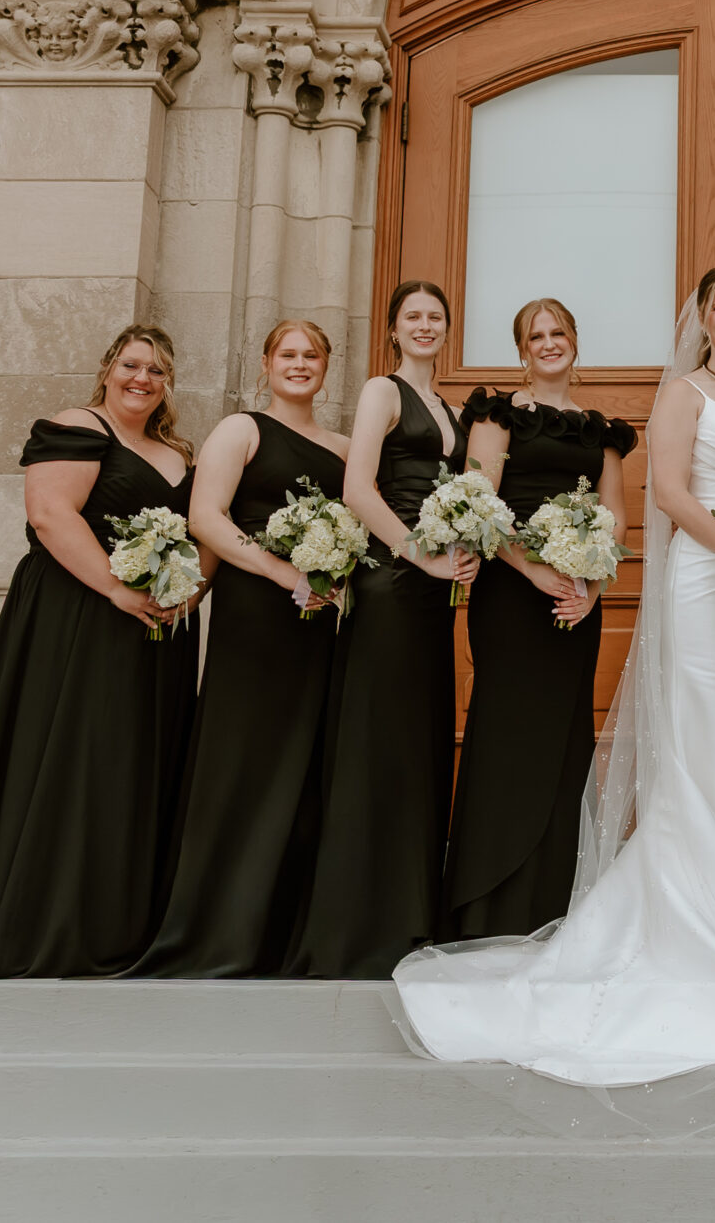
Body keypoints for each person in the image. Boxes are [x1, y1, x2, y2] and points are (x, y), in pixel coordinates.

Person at [393, 267, 715, 1085]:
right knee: (698, 745)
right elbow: (673, 496)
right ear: (703, 319)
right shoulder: (682, 393)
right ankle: (689, 919)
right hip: (714, 583)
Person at [0, 325, 205, 979]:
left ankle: (118, 923)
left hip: (156, 628)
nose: (142, 378)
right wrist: (117, 587)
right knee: (76, 756)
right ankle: (50, 922)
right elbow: (51, 513)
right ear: (108, 367)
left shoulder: (173, 448)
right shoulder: (77, 425)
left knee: (130, 764)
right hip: (81, 615)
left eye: (157, 371)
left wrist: (182, 590)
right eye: (131, 365)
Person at [127, 321, 351, 978]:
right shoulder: (242, 430)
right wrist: (288, 574)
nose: (300, 364)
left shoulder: (341, 444)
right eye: (288, 353)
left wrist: (330, 576)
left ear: (327, 366)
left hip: (319, 621)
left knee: (305, 767)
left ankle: (281, 933)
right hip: (257, 615)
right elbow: (207, 518)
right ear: (265, 362)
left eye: (312, 354)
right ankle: (216, 927)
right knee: (243, 759)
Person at [286, 283, 478, 978]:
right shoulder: (382, 390)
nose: (425, 326)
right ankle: (358, 925)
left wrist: (462, 552)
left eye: (435, 317)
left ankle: (408, 914)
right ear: (394, 330)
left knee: (416, 743)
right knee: (379, 742)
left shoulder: (447, 407)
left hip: (431, 595)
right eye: (412, 317)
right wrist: (419, 553)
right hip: (393, 581)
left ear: (447, 328)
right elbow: (359, 488)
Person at [443, 296, 635, 937]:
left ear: (575, 341)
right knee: (506, 734)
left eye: (558, 333)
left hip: (575, 607)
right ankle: (487, 903)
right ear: (522, 350)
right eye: (535, 336)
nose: (548, 343)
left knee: (563, 740)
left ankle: (554, 905)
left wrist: (592, 591)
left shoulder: (600, 431)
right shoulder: (499, 415)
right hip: (510, 596)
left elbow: (615, 520)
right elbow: (478, 505)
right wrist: (532, 569)